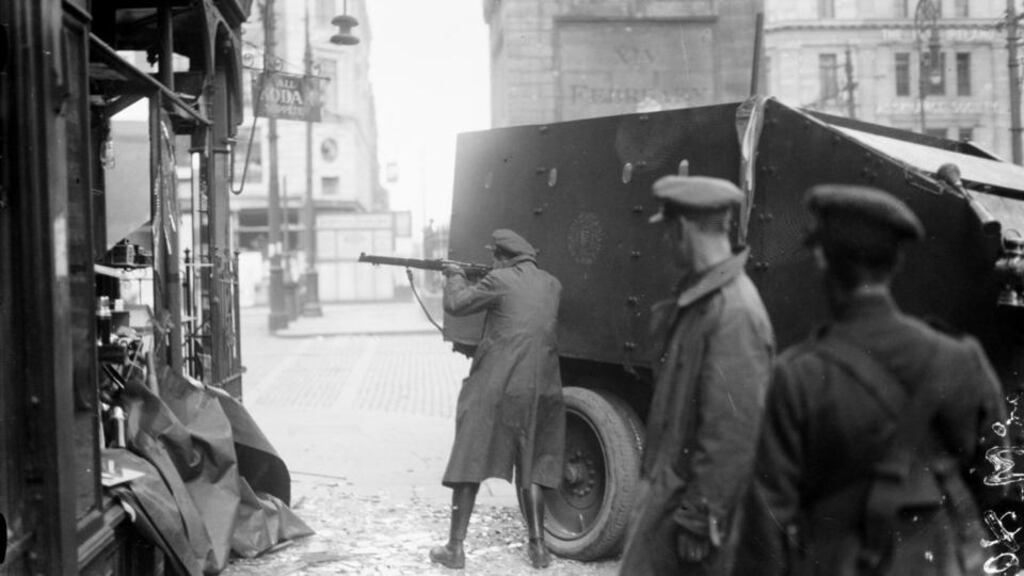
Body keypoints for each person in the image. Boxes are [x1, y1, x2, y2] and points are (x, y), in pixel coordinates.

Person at [732, 184, 1009, 575]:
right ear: (895, 263)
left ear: (823, 260)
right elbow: (999, 481)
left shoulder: (797, 376)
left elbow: (763, 525)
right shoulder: (961, 359)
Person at [619, 176, 775, 576]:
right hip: (670, 503)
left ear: (682, 229)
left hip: (688, 520)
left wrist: (699, 517)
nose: (665, 243)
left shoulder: (733, 311)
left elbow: (732, 431)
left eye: (667, 231)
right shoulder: (701, 301)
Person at [429, 229, 565, 570]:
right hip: (541, 388)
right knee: (531, 466)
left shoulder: (499, 279)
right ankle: (539, 549)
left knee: (469, 457)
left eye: (494, 258)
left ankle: (455, 549)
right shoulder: (552, 284)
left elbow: (456, 305)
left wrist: (455, 276)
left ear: (502, 257)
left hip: (497, 385)